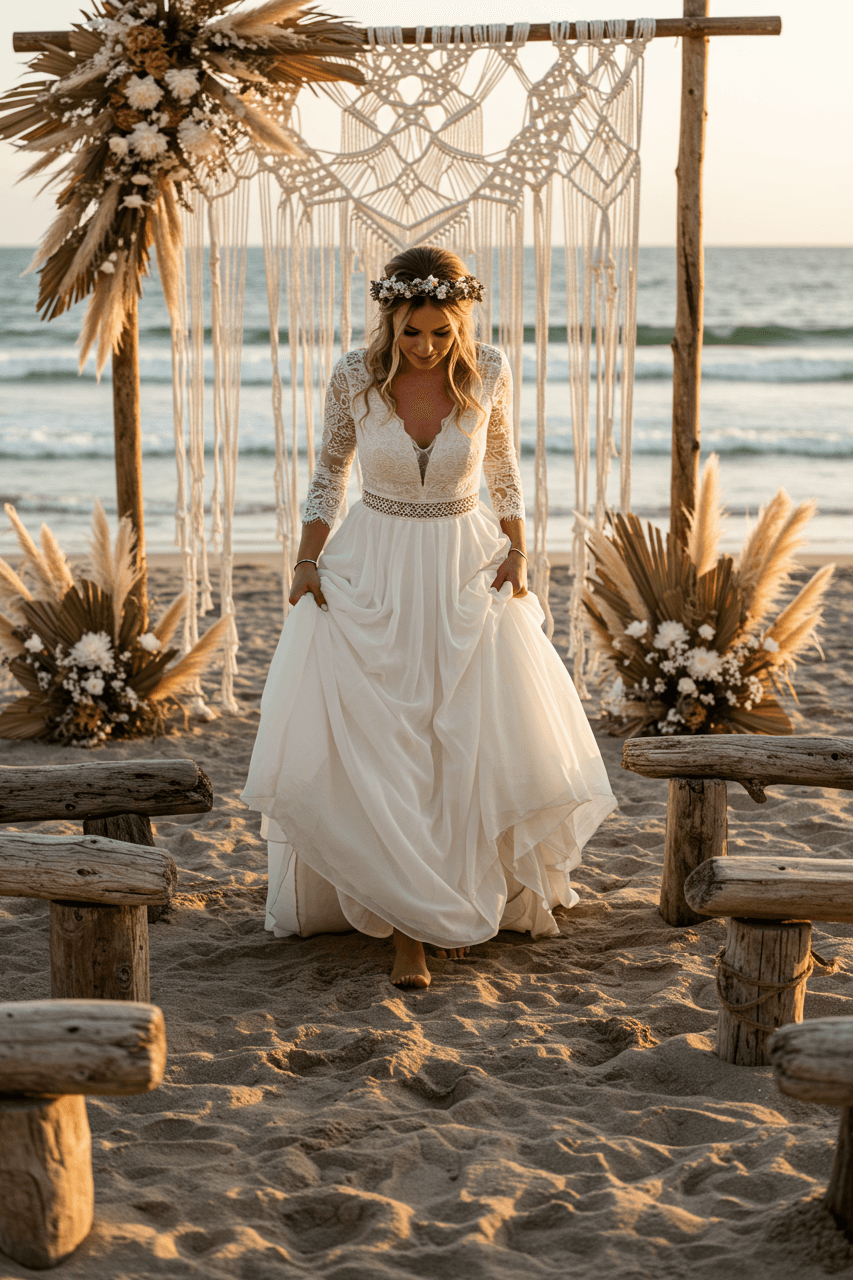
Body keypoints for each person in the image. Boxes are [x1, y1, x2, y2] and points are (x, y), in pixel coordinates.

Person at [241, 245, 616, 989]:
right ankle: (405, 928)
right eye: (413, 331)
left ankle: (448, 894)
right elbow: (328, 473)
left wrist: (519, 550)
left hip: (463, 569)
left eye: (441, 332)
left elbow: (504, 467)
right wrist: (306, 561)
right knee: (387, 744)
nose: (426, 346)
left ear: (461, 321)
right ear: (390, 319)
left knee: (461, 742)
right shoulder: (355, 375)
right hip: (371, 567)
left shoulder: (490, 371)